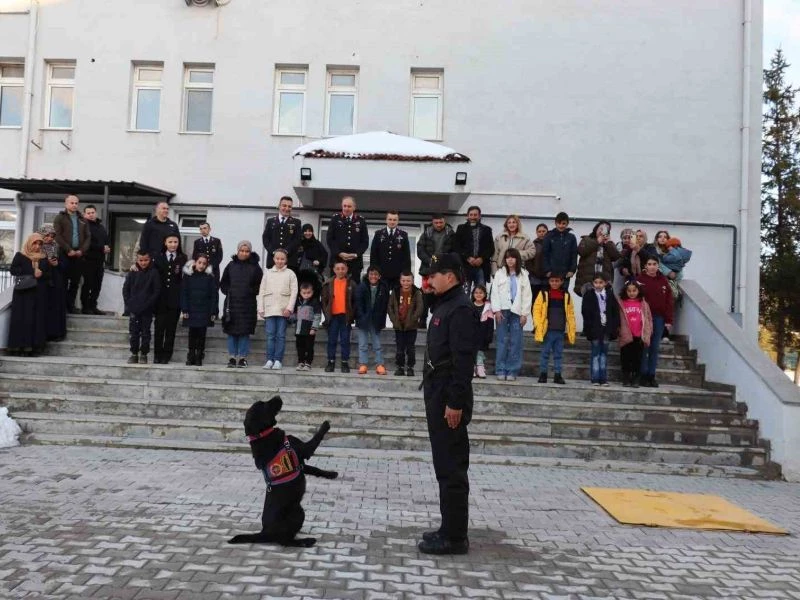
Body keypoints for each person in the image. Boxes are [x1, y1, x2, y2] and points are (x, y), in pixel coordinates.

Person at [417, 252, 477, 555]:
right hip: (437, 393)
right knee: (444, 465)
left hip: (449, 399)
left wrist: (455, 403)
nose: (429, 279)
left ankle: (455, 537)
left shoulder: (462, 309)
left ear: (450, 276)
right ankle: (448, 527)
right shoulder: (445, 304)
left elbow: (463, 362)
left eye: (434, 274)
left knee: (452, 467)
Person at [490, 248, 533, 381]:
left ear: (517, 259)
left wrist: (524, 313)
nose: (510, 260)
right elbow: (494, 293)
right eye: (507, 257)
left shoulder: (524, 274)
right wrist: (496, 310)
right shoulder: (499, 274)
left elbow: (527, 295)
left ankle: (512, 370)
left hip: (517, 311)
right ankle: (501, 369)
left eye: (513, 257)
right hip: (502, 311)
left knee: (516, 341)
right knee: (502, 340)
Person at [220, 241, 263, 368]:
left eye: (247, 251)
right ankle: (232, 357)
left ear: (250, 252)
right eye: (242, 251)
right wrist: (229, 291)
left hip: (247, 304)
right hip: (231, 303)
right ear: (237, 251)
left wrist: (250, 291)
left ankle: (242, 358)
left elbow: (259, 285)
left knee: (245, 331)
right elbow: (224, 282)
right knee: (231, 331)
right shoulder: (231, 265)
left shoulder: (255, 267)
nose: (244, 253)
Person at [7, 234, 50, 356]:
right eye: (35, 243)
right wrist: (32, 272)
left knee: (35, 320)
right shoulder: (21, 256)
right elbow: (13, 270)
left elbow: (48, 274)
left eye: (40, 244)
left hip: (38, 293)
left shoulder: (43, 258)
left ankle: (32, 348)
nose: (37, 246)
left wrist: (41, 274)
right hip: (23, 293)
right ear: (29, 243)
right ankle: (17, 347)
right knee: (21, 319)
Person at [257, 248, 298, 371]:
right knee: (270, 335)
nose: (280, 261)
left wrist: (289, 308)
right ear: (274, 259)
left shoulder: (290, 274)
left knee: (280, 335)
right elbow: (262, 291)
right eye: (277, 259)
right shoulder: (268, 273)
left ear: (286, 260)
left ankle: (278, 360)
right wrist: (261, 308)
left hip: (283, 310)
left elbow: (294, 292)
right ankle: (269, 359)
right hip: (269, 309)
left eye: (282, 259)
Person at [636, 257, 674, 387]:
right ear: (645, 266)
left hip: (658, 318)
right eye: (649, 264)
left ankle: (651, 375)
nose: (652, 267)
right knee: (644, 346)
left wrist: (668, 320)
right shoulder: (640, 280)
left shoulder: (663, 280)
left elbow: (669, 301)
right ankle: (642, 374)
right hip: (644, 317)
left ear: (658, 266)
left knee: (654, 347)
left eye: (654, 264)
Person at [533, 273, 576, 384]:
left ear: (561, 282)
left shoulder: (566, 295)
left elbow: (570, 313)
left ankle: (558, 375)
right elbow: (536, 310)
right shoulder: (543, 294)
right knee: (545, 353)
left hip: (560, 330)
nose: (554, 283)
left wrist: (570, 328)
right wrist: (538, 325)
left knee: (558, 354)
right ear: (549, 281)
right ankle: (543, 374)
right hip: (547, 330)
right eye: (552, 281)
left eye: (557, 281)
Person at [152, 234, 187, 364]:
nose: (173, 244)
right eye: (170, 242)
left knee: (171, 330)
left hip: (175, 299)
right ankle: (157, 354)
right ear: (165, 243)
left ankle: (167, 355)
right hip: (160, 299)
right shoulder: (158, 257)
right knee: (159, 328)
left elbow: (186, 278)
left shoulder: (183, 258)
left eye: (175, 242)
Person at [581, 273, 621, 386]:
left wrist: (614, 327)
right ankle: (595, 378)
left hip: (606, 329)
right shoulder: (589, 295)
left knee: (604, 354)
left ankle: (603, 378)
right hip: (594, 329)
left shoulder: (610, 295)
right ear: (593, 284)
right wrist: (588, 328)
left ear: (605, 283)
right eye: (596, 282)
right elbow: (585, 313)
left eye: (601, 282)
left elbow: (615, 313)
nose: (598, 285)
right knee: (595, 354)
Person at [122, 250, 161, 364]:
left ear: (150, 260)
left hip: (147, 309)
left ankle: (144, 354)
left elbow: (156, 291)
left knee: (145, 333)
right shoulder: (132, 272)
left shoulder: (154, 273)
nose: (143, 263)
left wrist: (148, 304)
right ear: (137, 260)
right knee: (134, 332)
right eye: (141, 260)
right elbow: (126, 289)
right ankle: (134, 353)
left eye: (146, 260)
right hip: (134, 309)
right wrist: (129, 304)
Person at [53, 194, 90, 314]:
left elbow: (88, 237)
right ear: (66, 204)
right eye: (72, 203)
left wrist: (81, 251)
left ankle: (71, 306)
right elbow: (57, 236)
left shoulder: (82, 219)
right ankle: (61, 306)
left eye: (76, 203)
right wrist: (68, 250)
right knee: (63, 282)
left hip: (79, 255)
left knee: (75, 282)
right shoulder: (60, 218)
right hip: (64, 254)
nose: (74, 205)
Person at [417, 214, 455, 328]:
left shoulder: (451, 234)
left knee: (441, 295)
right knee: (425, 295)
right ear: (432, 222)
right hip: (428, 269)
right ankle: (422, 320)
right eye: (436, 223)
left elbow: (454, 251)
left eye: (441, 222)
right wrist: (430, 261)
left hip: (444, 270)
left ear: (445, 221)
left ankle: (438, 321)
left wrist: (444, 262)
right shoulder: (426, 234)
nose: (439, 225)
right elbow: (420, 250)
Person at [180, 254, 218, 366]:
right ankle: (191, 354)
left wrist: (213, 311)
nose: (201, 265)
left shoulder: (210, 277)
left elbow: (213, 296)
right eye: (199, 262)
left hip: (204, 310)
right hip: (191, 309)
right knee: (192, 333)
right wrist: (185, 309)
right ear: (195, 262)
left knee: (202, 334)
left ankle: (199, 355)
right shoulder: (188, 276)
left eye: (204, 263)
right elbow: (184, 293)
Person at [321, 260, 357, 372]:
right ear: (334, 270)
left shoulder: (351, 284)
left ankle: (344, 363)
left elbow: (355, 301)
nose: (340, 271)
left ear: (346, 270)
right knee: (332, 340)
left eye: (343, 268)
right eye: (338, 268)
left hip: (345, 317)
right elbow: (324, 300)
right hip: (333, 317)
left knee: (345, 340)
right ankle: (330, 362)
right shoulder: (328, 283)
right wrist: (327, 314)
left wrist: (352, 314)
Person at [355, 265, 390, 375]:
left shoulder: (383, 287)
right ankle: (363, 364)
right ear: (368, 275)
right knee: (363, 344)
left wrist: (382, 320)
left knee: (377, 344)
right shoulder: (362, 286)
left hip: (376, 320)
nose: (373, 276)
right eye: (371, 274)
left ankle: (379, 364)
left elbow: (385, 306)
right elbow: (358, 304)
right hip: (364, 320)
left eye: (375, 274)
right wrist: (360, 316)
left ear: (379, 276)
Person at [387, 271, 423, 376]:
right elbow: (390, 307)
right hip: (399, 325)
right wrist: (394, 320)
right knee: (400, 348)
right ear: (400, 281)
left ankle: (410, 367)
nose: (406, 283)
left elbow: (419, 308)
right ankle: (400, 367)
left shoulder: (417, 292)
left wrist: (413, 319)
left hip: (411, 326)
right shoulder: (395, 291)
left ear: (412, 281)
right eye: (403, 280)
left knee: (410, 348)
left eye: (408, 280)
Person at [618, 280, 653, 387]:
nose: (632, 293)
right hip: (626, 336)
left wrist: (648, 332)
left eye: (634, 290)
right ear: (625, 291)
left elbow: (648, 319)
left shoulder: (643, 304)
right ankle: (626, 378)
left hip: (639, 336)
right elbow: (618, 319)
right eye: (629, 291)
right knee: (625, 358)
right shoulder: (621, 303)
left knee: (637, 359)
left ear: (638, 291)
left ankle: (636, 379)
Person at [326, 196, 369, 282]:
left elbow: (365, 241)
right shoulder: (335, 219)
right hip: (337, 261)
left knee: (353, 291)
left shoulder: (361, 221)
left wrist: (356, 254)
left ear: (354, 207)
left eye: (349, 206)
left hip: (355, 263)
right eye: (344, 206)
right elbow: (330, 239)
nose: (346, 208)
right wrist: (339, 253)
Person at [453, 206, 494, 293]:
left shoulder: (487, 230)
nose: (473, 217)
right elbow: (456, 247)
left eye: (475, 215)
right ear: (467, 216)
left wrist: (482, 258)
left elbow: (491, 248)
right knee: (464, 292)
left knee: (480, 292)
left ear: (479, 216)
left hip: (481, 267)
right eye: (471, 215)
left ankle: (479, 307)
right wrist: (467, 258)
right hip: (465, 266)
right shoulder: (461, 228)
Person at [574, 221, 620, 297]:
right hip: (588, 279)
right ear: (596, 229)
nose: (602, 231)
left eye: (606, 229)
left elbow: (615, 256)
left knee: (602, 304)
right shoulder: (586, 239)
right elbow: (581, 251)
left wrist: (608, 243)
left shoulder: (609, 243)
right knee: (588, 303)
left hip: (603, 279)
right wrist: (597, 241)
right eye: (601, 228)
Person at [369, 211, 411, 294]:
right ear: (386, 220)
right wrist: (374, 271)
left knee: (396, 298)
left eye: (394, 220)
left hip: (397, 274)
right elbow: (374, 254)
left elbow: (406, 256)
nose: (392, 222)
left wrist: (406, 274)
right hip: (382, 273)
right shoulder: (378, 234)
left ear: (398, 221)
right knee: (382, 298)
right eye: (390, 219)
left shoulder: (403, 235)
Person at [81, 205, 111, 315]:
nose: (91, 214)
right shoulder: (84, 226)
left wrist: (107, 247)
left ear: (96, 213)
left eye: (92, 212)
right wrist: (101, 248)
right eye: (88, 213)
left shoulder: (101, 227)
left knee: (97, 285)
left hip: (100, 261)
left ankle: (93, 306)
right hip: (88, 260)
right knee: (88, 284)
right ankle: (85, 307)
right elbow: (86, 243)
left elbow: (106, 240)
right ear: (84, 214)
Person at [39, 225, 67, 342]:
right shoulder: (36, 247)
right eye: (47, 235)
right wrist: (46, 262)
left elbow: (65, 265)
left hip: (56, 281)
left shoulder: (58, 248)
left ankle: (56, 333)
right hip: (42, 281)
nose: (49, 238)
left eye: (52, 236)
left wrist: (57, 264)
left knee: (56, 307)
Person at [262, 196, 302, 270]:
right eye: (284, 205)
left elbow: (297, 240)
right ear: (279, 206)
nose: (287, 208)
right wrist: (274, 252)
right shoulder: (270, 221)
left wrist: (286, 252)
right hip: (273, 261)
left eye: (289, 206)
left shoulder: (296, 222)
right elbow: (265, 239)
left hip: (290, 262)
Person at [542, 212, 577, 291]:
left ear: (567, 223)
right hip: (552, 273)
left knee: (563, 295)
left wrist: (572, 270)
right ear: (555, 223)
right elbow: (545, 254)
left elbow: (574, 255)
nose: (561, 225)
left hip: (565, 274)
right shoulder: (549, 236)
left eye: (563, 223)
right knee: (550, 296)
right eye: (559, 223)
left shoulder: (571, 237)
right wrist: (547, 270)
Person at [293, 280, 322, 371]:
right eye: (304, 293)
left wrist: (314, 328)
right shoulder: (298, 302)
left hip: (309, 330)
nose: (306, 295)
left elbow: (317, 316)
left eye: (308, 292)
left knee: (309, 347)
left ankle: (308, 363)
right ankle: (301, 362)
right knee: (300, 347)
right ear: (300, 292)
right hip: (299, 330)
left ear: (312, 292)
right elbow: (295, 315)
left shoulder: (314, 302)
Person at [470, 284, 493, 379]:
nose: (478, 295)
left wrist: (489, 336)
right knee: (471, 352)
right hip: (471, 334)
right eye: (476, 293)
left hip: (482, 334)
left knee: (480, 353)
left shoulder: (488, 307)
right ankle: (472, 368)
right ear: (473, 294)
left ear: (484, 294)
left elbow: (490, 323)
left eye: (481, 293)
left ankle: (480, 368)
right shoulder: (469, 306)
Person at [193, 222, 223, 287]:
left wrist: (211, 266)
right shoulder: (197, 242)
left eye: (205, 228)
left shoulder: (216, 241)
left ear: (209, 229)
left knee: (214, 289)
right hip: (201, 270)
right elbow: (195, 257)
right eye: (201, 229)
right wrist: (202, 267)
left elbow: (219, 256)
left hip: (214, 271)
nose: (203, 230)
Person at [526, 223, 549, 293]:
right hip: (535, 278)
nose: (541, 233)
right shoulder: (532, 245)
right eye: (539, 231)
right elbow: (528, 262)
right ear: (536, 233)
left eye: (543, 231)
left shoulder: (551, 244)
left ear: (547, 232)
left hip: (547, 278)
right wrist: (534, 272)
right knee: (535, 300)